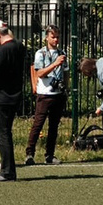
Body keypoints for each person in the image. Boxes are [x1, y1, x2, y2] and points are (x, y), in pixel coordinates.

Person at [0, 25, 30, 182]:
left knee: (2, 134)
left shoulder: (2, 50)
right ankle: (9, 170)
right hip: (15, 95)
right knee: (7, 133)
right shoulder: (20, 46)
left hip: (1, 97)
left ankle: (7, 171)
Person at [25, 28, 67, 165]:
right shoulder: (40, 53)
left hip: (58, 94)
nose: (56, 40)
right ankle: (29, 154)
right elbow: (39, 73)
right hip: (44, 94)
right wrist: (54, 64)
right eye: (53, 37)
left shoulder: (62, 53)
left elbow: (66, 72)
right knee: (38, 125)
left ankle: (50, 154)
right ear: (47, 38)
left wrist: (65, 86)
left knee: (53, 127)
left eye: (57, 37)